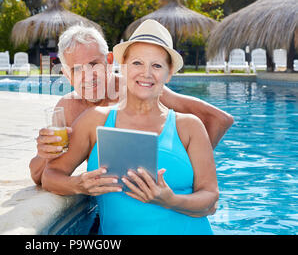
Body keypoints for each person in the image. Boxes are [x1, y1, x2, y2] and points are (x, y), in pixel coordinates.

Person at [41, 19, 219, 234]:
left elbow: (209, 198)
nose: (146, 73)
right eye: (137, 63)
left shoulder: (189, 126)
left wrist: (170, 200)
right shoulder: (94, 120)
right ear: (122, 66)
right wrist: (77, 185)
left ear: (169, 73)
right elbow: (50, 175)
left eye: (157, 65)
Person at [30, 24, 233, 185]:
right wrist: (43, 154)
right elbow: (40, 176)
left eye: (94, 65)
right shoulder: (69, 107)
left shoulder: (140, 89)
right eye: (76, 70)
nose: (88, 77)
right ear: (66, 75)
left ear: (110, 61)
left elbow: (219, 119)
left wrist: (188, 172)